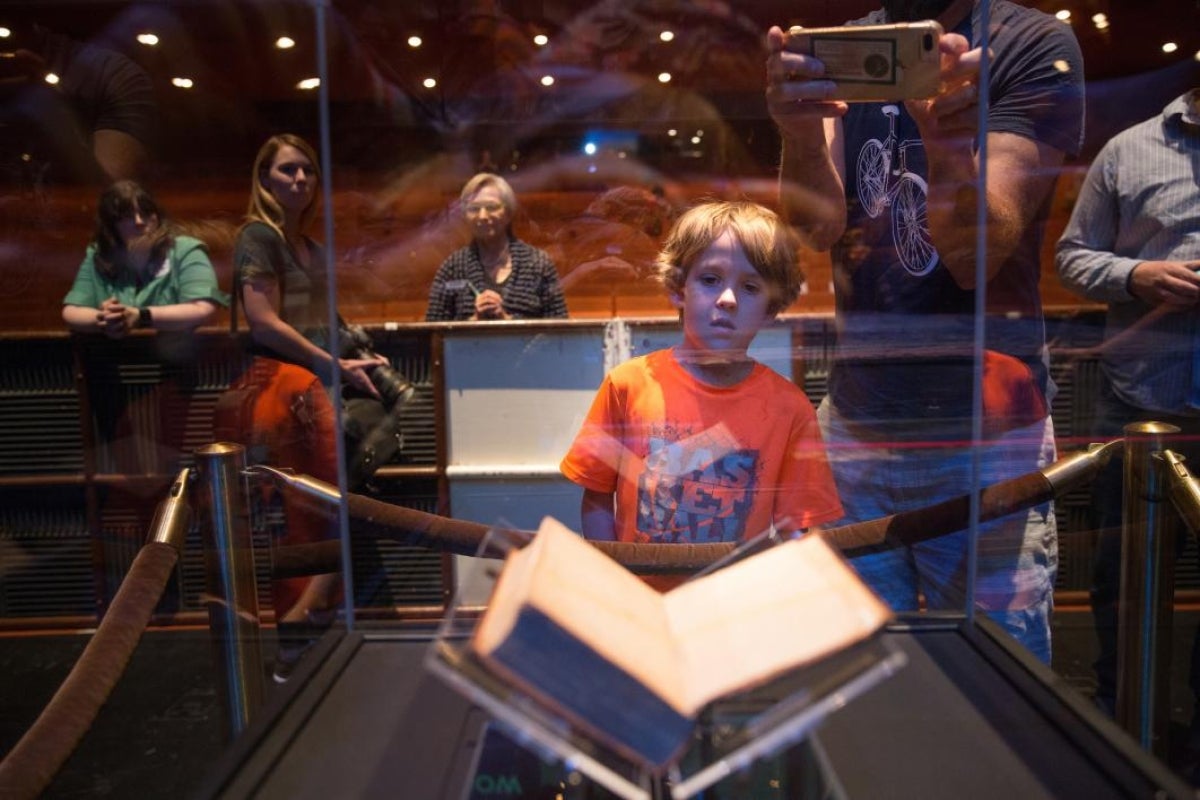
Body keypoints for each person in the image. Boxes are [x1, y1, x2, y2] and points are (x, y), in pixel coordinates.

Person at [765, 0, 1085, 662]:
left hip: (982, 438)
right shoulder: (852, 43)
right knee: (859, 677)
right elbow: (815, 227)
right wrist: (796, 134)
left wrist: (942, 145)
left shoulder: (1029, 40)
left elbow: (974, 259)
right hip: (859, 425)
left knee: (998, 685)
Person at [560, 201, 843, 573]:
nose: (727, 299)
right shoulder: (627, 385)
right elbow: (597, 496)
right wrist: (614, 581)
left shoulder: (790, 408)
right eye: (710, 280)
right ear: (679, 289)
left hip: (734, 605)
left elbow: (799, 528)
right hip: (642, 602)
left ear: (771, 307)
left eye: (750, 286)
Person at [216, 134, 396, 679]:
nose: (298, 180)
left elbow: (325, 320)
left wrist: (358, 358)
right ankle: (296, 628)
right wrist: (334, 365)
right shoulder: (258, 237)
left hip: (314, 382)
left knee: (333, 496)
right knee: (304, 508)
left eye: (307, 172)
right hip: (281, 384)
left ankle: (312, 619)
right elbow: (264, 322)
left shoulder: (310, 247)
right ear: (265, 178)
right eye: (287, 171)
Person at [1055, 89, 1200, 723]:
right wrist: (1136, 277)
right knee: (1118, 576)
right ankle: (1121, 721)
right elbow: (1071, 257)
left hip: (1145, 392)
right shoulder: (1128, 149)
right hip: (1139, 401)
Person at [62, 180, 224, 336]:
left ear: (157, 216)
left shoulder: (186, 251)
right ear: (111, 224)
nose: (139, 222)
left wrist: (141, 316)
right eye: (127, 216)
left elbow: (203, 309)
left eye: (146, 213)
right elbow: (71, 311)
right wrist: (105, 318)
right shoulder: (98, 254)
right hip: (114, 354)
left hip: (179, 356)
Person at [425, 172, 568, 321]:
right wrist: (474, 321)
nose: (482, 216)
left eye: (491, 207)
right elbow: (433, 335)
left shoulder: (538, 265)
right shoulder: (452, 269)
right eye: (474, 209)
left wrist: (505, 320)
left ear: (508, 212)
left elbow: (559, 333)